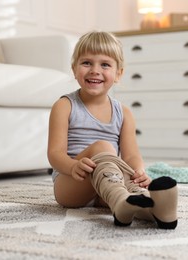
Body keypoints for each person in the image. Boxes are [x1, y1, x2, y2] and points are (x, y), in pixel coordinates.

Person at [47, 31, 178, 229]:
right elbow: (54, 154)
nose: (95, 70)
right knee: (102, 146)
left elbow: (132, 155)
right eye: (86, 63)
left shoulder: (123, 112)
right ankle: (124, 198)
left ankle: (154, 209)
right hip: (72, 184)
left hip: (106, 185)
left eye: (105, 64)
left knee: (129, 182)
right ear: (74, 70)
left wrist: (138, 172)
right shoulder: (65, 105)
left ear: (118, 74)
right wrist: (73, 167)